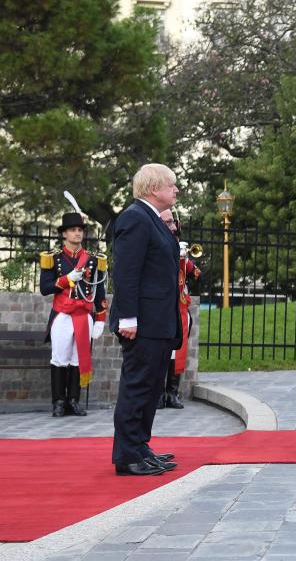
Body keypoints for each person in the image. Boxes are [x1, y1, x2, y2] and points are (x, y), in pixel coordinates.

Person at [109, 164, 182, 476]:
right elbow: (126, 273)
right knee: (138, 386)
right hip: (142, 322)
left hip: (158, 321)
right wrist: (127, 317)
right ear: (154, 188)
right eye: (172, 185)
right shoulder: (135, 218)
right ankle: (127, 455)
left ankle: (140, 446)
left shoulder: (152, 219)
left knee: (152, 387)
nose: (176, 190)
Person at [39, 211, 107, 417]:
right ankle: (58, 402)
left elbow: (99, 291)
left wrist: (100, 318)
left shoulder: (94, 261)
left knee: (79, 358)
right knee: (60, 357)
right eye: (73, 230)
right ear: (64, 234)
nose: (77, 234)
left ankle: (73, 400)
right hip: (62, 314)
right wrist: (67, 278)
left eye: (80, 230)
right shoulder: (53, 259)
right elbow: (45, 288)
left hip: (84, 314)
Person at [157, 209, 201, 410]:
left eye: (173, 225)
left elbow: (197, 276)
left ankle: (172, 393)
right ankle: (157, 393)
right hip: (163, 308)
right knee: (161, 353)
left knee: (178, 352)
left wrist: (186, 262)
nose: (173, 228)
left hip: (180, 307)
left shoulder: (181, 252)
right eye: (168, 224)